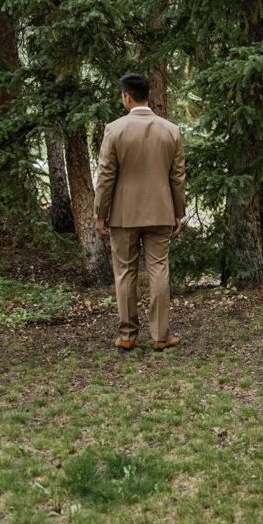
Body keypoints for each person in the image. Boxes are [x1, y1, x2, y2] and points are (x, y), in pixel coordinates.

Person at [94, 72, 185, 351]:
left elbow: (105, 175)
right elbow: (177, 177)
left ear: (127, 97)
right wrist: (178, 213)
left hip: (123, 214)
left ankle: (128, 335)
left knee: (124, 272)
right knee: (159, 270)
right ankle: (160, 336)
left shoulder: (114, 129)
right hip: (160, 213)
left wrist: (101, 213)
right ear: (148, 95)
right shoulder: (171, 130)